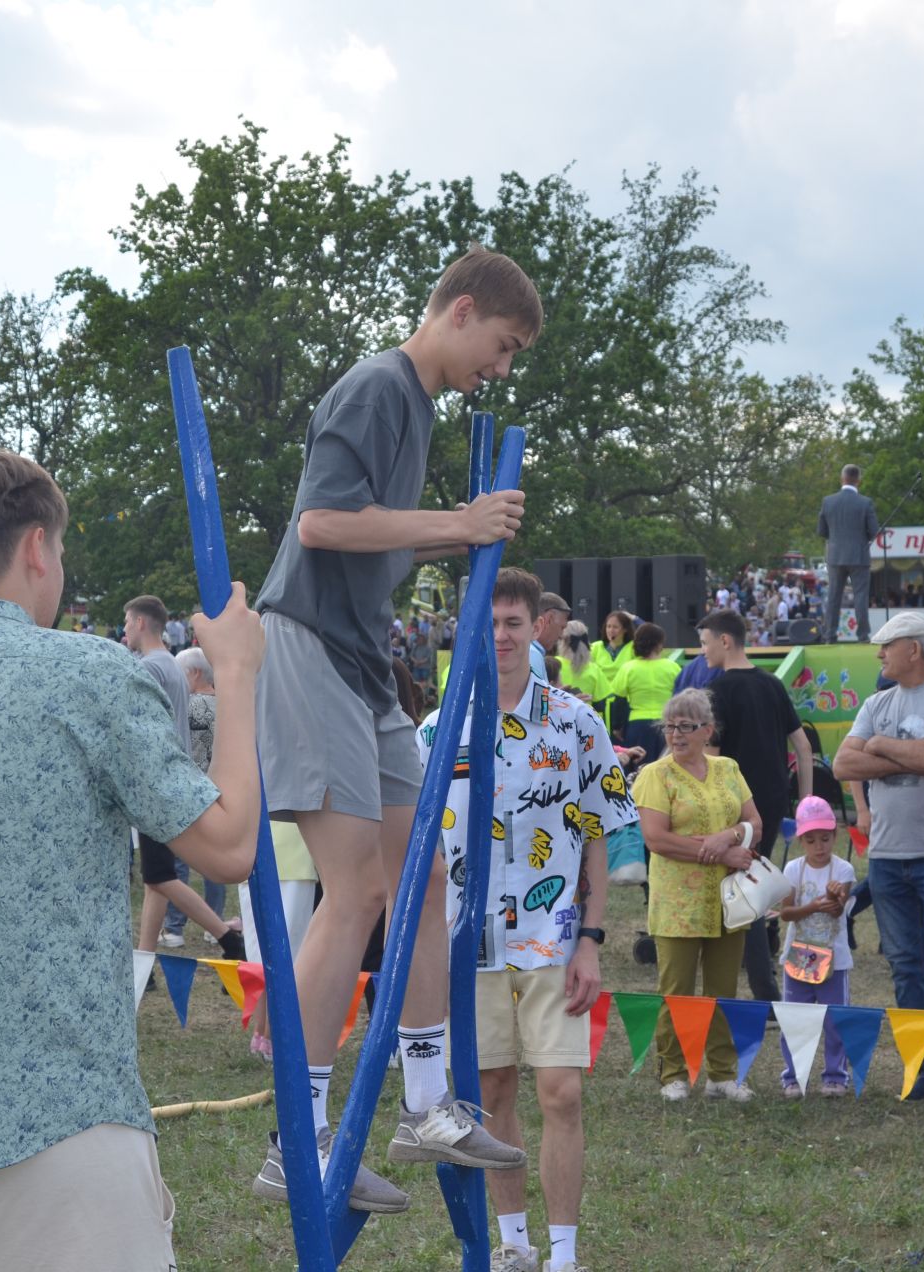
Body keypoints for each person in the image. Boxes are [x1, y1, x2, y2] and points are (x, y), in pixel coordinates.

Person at [0, 449, 266, 1270]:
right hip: (62, 1120)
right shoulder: (89, 672)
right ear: (38, 548)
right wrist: (238, 673)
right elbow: (228, 845)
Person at [249, 246, 540, 1214]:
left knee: (424, 878)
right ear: (461, 312)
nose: (498, 371)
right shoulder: (377, 386)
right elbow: (324, 525)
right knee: (359, 888)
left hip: (364, 659)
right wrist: (458, 525)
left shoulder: (415, 405)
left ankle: (426, 1105)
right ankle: (299, 1135)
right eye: (499, 347)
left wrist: (445, 529)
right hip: (310, 645)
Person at [419, 568, 630, 1272]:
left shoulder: (575, 722)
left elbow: (599, 834)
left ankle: (564, 1255)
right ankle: (514, 1245)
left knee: (561, 1091)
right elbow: (412, 846)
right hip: (465, 946)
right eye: (487, 622)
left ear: (536, 626)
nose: (500, 636)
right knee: (493, 1095)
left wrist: (593, 940)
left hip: (555, 939)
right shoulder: (438, 727)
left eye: (513, 622)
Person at [831, 611, 924, 1118]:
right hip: (890, 860)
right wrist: (908, 754)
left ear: (913, 650)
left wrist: (879, 745)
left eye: (886, 646)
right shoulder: (877, 701)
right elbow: (842, 765)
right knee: (906, 970)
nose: (879, 654)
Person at [635, 689, 761, 1101]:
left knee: (723, 992)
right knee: (677, 993)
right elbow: (656, 839)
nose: (676, 734)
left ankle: (722, 1074)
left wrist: (732, 834)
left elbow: (754, 822)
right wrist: (723, 850)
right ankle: (673, 1074)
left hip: (728, 901)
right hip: (677, 903)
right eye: (669, 726)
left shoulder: (728, 768)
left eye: (686, 726)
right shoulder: (656, 775)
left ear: (707, 730)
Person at [696, 608, 813, 1002]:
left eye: (705, 642)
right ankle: (762, 989)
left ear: (724, 641)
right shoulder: (772, 684)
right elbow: (802, 745)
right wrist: (806, 803)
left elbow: (709, 758)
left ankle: (765, 996)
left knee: (744, 896)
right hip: (773, 799)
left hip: (735, 807)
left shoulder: (717, 691)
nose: (702, 651)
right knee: (753, 889)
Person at [123, 595, 233, 954]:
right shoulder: (171, 664)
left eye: (127, 622)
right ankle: (144, 957)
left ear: (141, 623)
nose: (124, 630)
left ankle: (228, 937)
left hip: (156, 783)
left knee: (162, 876)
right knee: (158, 877)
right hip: (172, 777)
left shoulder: (149, 668)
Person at [775, 796, 857, 1098]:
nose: (819, 846)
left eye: (825, 838)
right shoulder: (793, 870)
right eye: (811, 840)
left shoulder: (844, 870)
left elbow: (838, 912)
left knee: (836, 1019)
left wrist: (836, 898)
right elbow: (785, 913)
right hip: (798, 955)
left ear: (835, 836)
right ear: (801, 841)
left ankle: (835, 1076)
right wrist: (811, 907)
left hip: (834, 959)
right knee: (795, 1018)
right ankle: (793, 1076)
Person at [817, 464, 881, 643]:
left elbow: (821, 531)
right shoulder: (865, 502)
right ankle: (862, 636)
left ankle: (830, 635)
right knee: (860, 596)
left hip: (835, 556)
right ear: (858, 480)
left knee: (834, 596)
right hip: (859, 555)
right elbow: (874, 531)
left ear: (842, 478)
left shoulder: (828, 501)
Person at [608, 622, 680, 764]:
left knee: (637, 771)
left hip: (637, 725)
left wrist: (617, 728)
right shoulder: (672, 667)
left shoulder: (628, 668)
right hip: (666, 724)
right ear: (659, 644)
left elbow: (619, 701)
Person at [553, 621, 609, 715]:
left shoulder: (553, 664)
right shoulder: (594, 669)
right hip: (586, 720)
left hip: (559, 720)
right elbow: (604, 700)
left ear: (562, 641)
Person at [530, 591, 571, 685]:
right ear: (549, 619)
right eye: (562, 627)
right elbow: (536, 699)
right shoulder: (532, 655)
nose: (562, 636)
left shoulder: (529, 652)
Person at [592, 611, 634, 684]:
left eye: (615, 627)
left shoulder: (633, 648)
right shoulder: (595, 647)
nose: (611, 631)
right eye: (608, 626)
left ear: (625, 629)